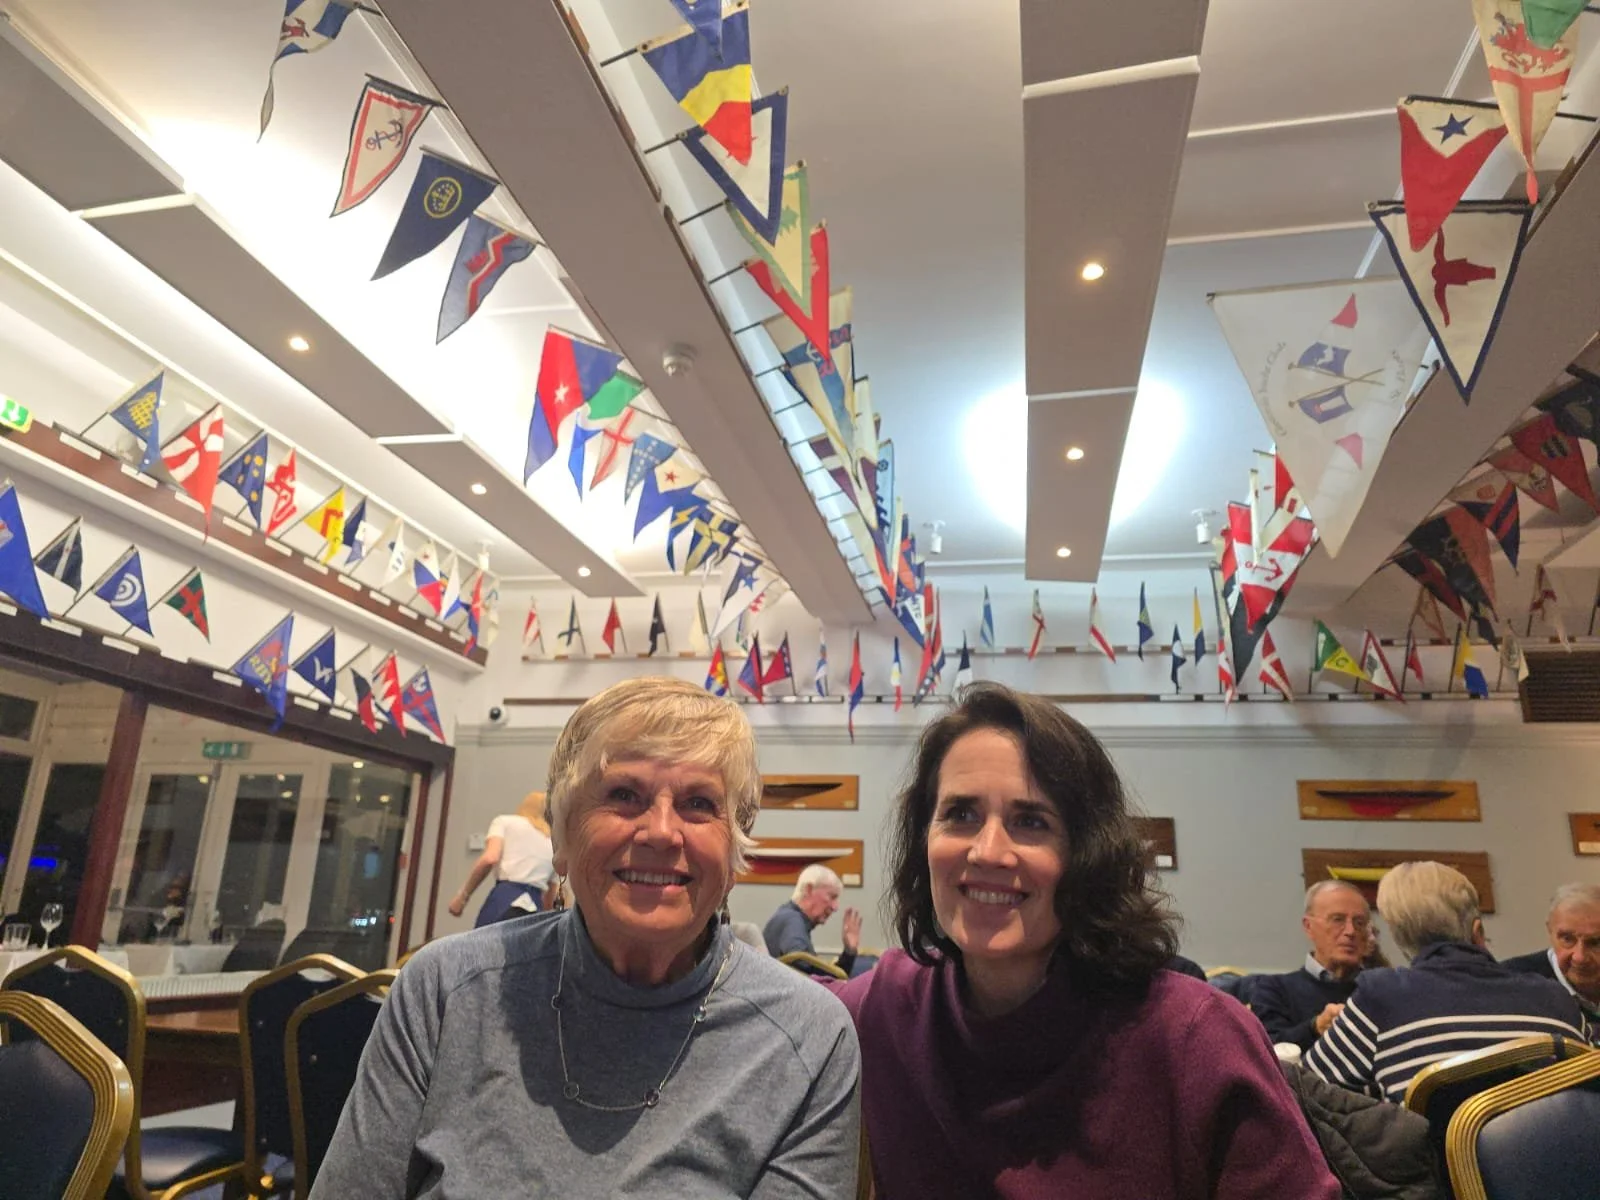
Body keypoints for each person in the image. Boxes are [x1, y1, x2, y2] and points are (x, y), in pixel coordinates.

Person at [314, 677, 860, 1198]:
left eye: (699, 804)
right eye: (624, 794)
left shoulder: (808, 1036)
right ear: (562, 837)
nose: (662, 832)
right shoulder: (443, 990)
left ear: (735, 851)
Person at [827, 682, 1339, 1198]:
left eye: (1030, 821)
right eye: (961, 814)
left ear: (1087, 854)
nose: (988, 851)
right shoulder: (885, 1005)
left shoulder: (1193, 1038)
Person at [1305, 861, 1586, 1103]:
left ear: (1401, 940)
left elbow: (1307, 1090)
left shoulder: (1382, 997)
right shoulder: (1558, 998)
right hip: (1562, 1164)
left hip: (1438, 1164)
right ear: (1477, 931)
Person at [1250, 881, 1369, 1052]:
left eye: (1359, 922)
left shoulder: (1379, 990)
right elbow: (1266, 1052)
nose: (1350, 931)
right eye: (1338, 919)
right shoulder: (1273, 989)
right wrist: (1315, 1028)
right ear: (1308, 926)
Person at [447, 791, 555, 926]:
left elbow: (490, 858)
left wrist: (462, 897)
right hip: (535, 905)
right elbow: (552, 890)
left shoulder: (504, 822)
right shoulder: (554, 841)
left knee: (483, 944)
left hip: (505, 898)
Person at [1502, 882, 1600, 1023]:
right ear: (1550, 931)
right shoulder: (1513, 984)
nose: (1579, 957)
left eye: (1595, 942)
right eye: (1567, 939)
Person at [763, 864, 863, 976]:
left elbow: (821, 979)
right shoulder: (792, 921)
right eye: (832, 897)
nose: (835, 907)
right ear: (809, 889)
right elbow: (808, 971)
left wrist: (849, 951)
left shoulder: (789, 917)